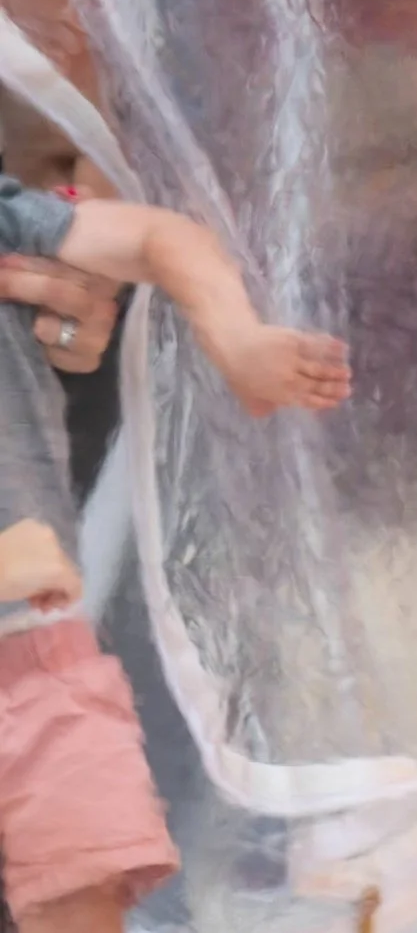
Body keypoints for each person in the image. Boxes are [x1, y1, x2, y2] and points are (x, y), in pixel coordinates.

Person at [0, 179, 351, 933]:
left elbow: (161, 238)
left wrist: (237, 339)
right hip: (28, 604)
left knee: (83, 889)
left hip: (38, 661)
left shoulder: (9, 221)